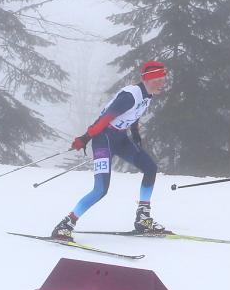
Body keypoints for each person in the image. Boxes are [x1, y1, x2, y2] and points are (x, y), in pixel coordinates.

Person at [51, 61, 169, 240]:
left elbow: (134, 115)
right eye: (157, 80)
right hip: (103, 139)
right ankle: (65, 225)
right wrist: (85, 138)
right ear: (146, 80)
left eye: (163, 80)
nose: (161, 84)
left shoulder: (147, 95)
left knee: (150, 168)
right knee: (100, 189)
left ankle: (143, 219)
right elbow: (105, 119)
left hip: (120, 139)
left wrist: (135, 134)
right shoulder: (130, 96)